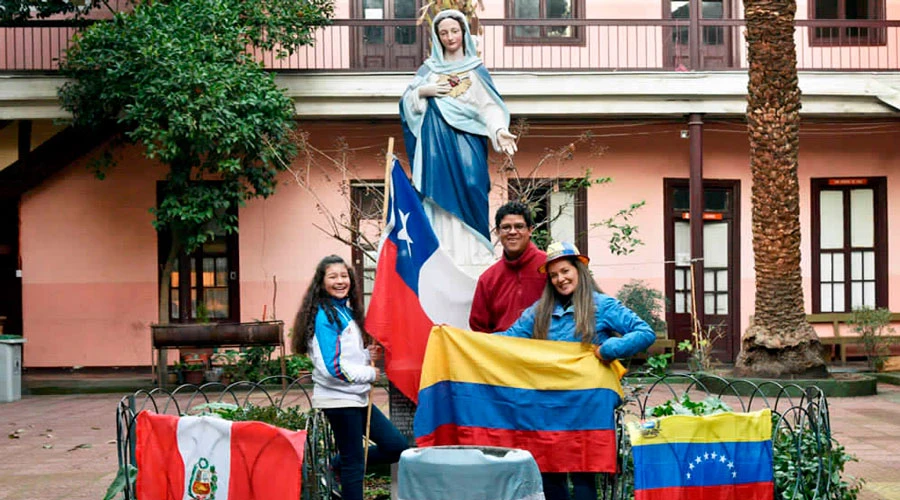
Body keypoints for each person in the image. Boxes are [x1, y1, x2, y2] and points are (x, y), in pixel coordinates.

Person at [497, 242, 656, 500]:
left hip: (587, 408)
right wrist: (462, 340)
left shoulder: (602, 306)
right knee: (550, 476)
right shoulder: (538, 312)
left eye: (565, 271)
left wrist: (610, 349)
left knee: (584, 478)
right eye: (554, 275)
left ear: (579, 269)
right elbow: (505, 341)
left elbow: (645, 333)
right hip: (548, 407)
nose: (560, 279)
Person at [400, 9, 516, 277]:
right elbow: (407, 105)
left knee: (474, 186)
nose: (450, 37)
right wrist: (422, 91)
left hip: (468, 141)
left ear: (463, 32)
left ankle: (475, 253)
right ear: (437, 37)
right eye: (443, 33)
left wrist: (499, 130)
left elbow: (489, 107)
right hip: (436, 143)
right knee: (438, 196)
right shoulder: (429, 70)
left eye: (454, 31)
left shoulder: (476, 70)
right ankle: (445, 252)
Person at [292, 255, 408, 500]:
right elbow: (331, 367)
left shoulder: (343, 310)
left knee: (395, 446)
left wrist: (367, 354)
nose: (340, 281)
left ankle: (332, 465)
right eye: (332, 276)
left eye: (344, 276)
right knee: (354, 465)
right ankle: (339, 466)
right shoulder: (324, 315)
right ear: (321, 282)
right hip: (339, 401)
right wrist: (369, 373)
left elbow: (345, 355)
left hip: (356, 398)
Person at [469, 201, 546, 332]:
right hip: (502, 351)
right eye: (506, 227)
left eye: (519, 226)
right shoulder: (488, 279)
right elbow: (479, 329)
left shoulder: (551, 267)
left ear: (530, 230)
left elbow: (580, 305)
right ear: (498, 232)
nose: (512, 232)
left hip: (546, 349)